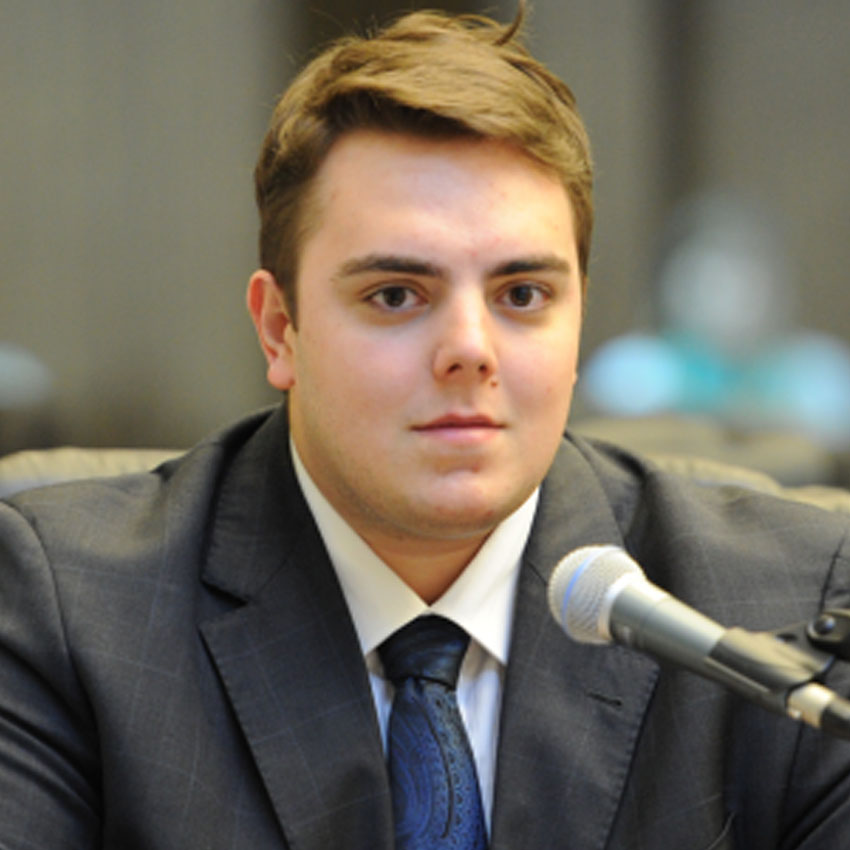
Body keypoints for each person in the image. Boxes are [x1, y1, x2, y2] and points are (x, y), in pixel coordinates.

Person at [1, 5, 850, 849]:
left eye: (523, 295)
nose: (470, 350)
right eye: (396, 295)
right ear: (279, 329)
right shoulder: (66, 615)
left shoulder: (785, 619)